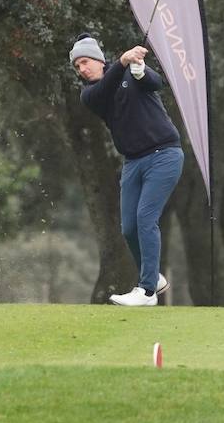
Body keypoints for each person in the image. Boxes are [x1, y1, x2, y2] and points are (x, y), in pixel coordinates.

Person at [70, 33, 184, 306]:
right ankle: (154, 277)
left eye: (85, 62)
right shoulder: (89, 95)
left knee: (146, 218)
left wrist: (141, 71)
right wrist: (123, 61)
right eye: (77, 66)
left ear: (98, 60)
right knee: (129, 228)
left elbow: (158, 84)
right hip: (133, 161)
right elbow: (106, 88)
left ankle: (146, 291)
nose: (82, 69)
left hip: (164, 155)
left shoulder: (129, 72)